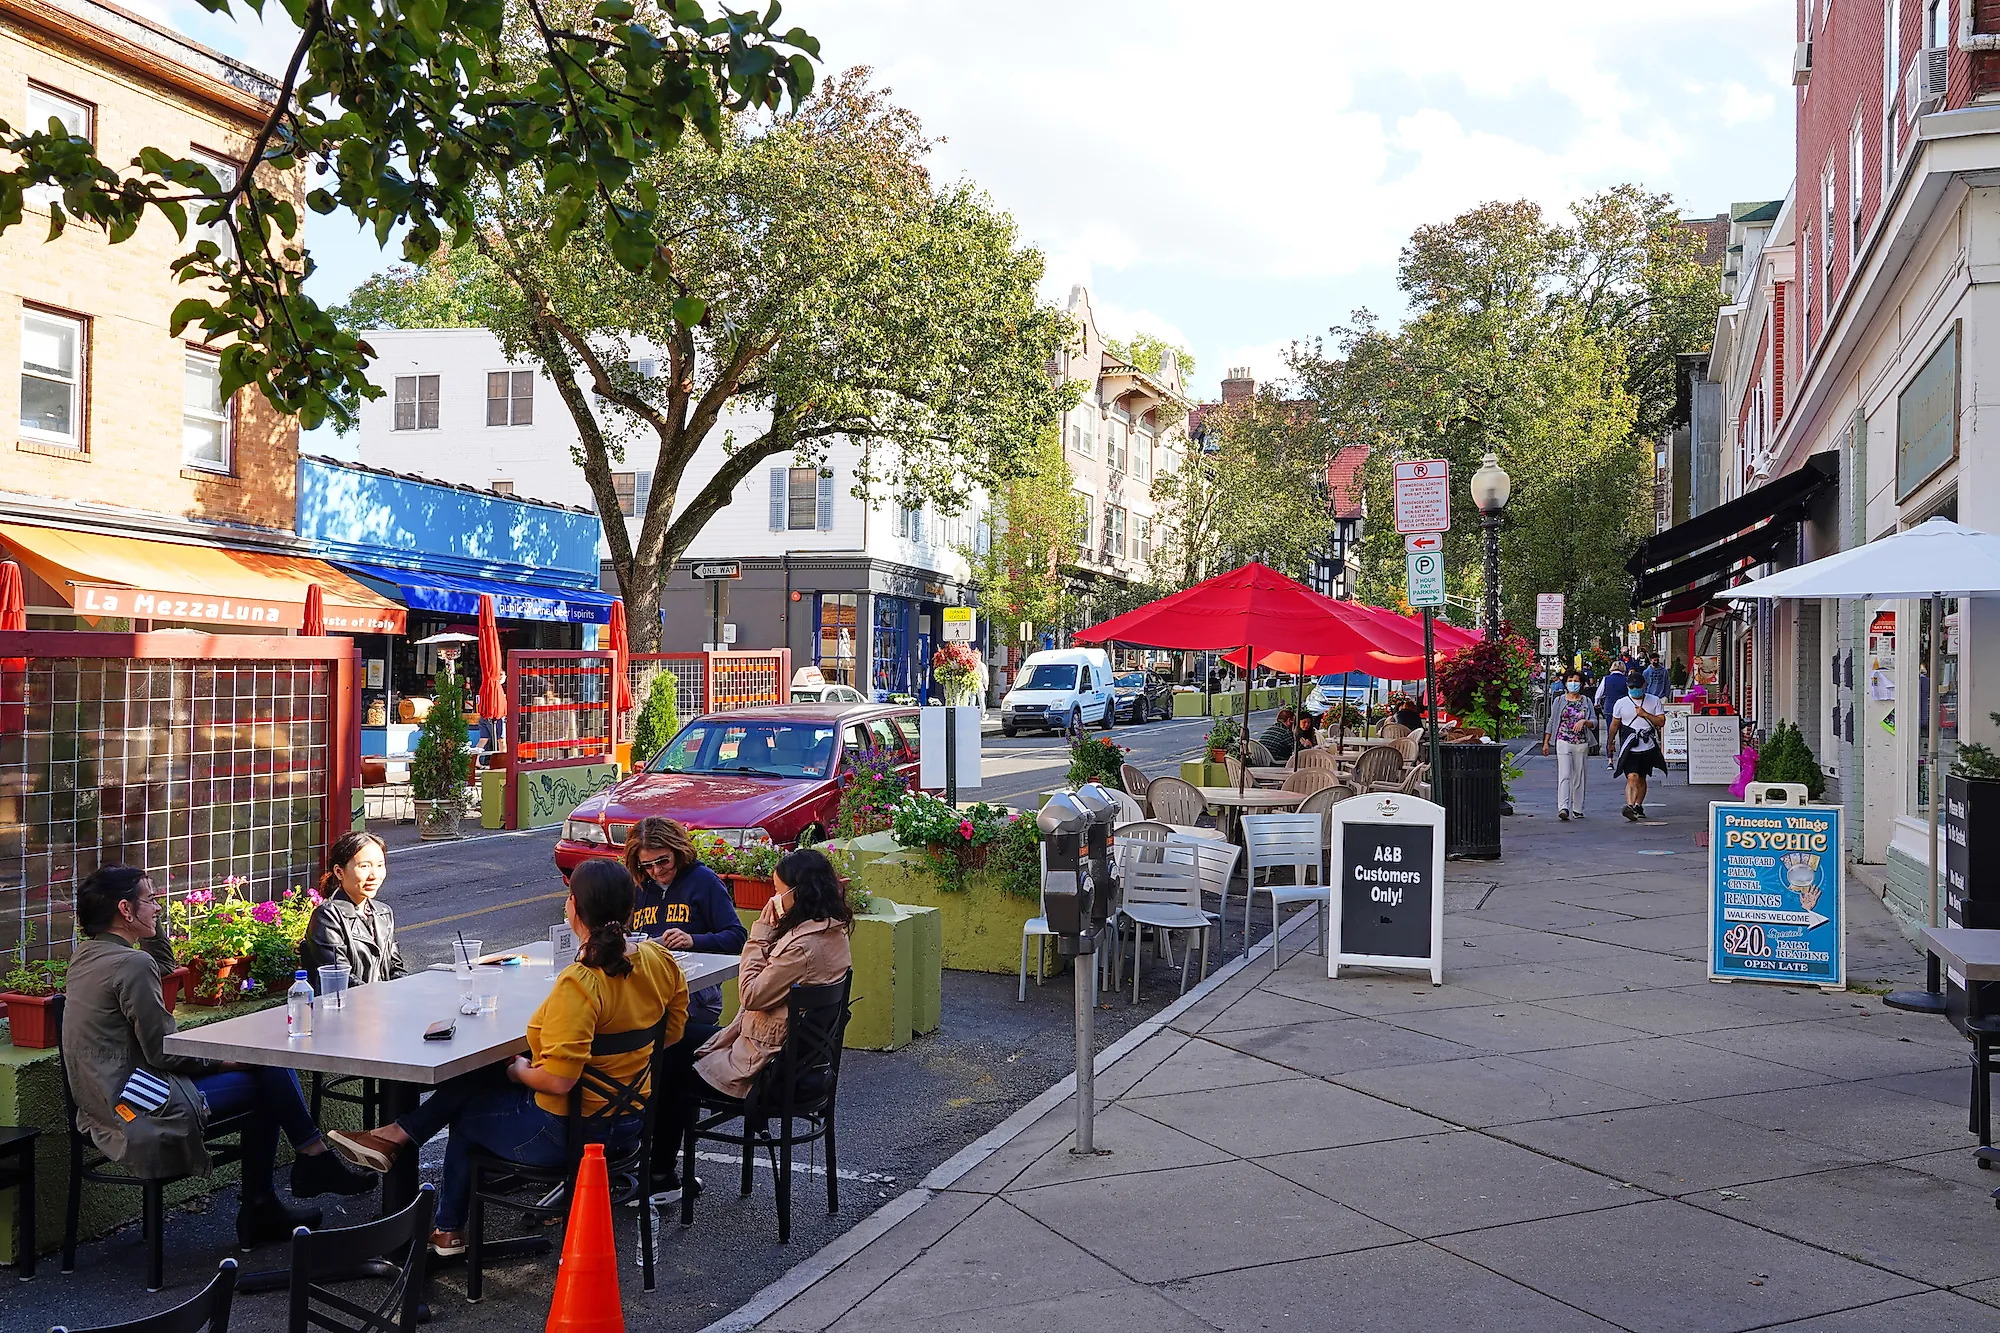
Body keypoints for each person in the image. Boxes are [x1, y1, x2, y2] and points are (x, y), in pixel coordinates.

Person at [329, 860, 688, 1256]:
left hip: (568, 1134)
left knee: (467, 1114)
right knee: (483, 1078)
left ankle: (446, 1228)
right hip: (629, 1125)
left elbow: (559, 1082)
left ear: (573, 907)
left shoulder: (582, 981)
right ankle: (396, 1138)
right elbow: (670, 1034)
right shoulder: (660, 961)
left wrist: (520, 1071)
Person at [63, 866, 374, 1247]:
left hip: (102, 1100)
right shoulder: (130, 964)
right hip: (140, 1106)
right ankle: (295, 1174)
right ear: (125, 910)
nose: (159, 908)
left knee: (267, 1072)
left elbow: (159, 967)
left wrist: (148, 924)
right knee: (268, 1072)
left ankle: (293, 1178)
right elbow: (165, 1052)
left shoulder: (89, 956)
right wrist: (226, 1061)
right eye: (151, 900)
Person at [688, 849, 853, 1102]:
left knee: (669, 1056)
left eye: (778, 891)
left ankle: (660, 1143)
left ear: (798, 893)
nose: (775, 899)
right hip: (802, 1063)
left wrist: (760, 935)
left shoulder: (801, 947)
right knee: (685, 1037)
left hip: (767, 1069)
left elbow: (751, 995)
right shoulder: (833, 931)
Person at [621, 817, 747, 1031]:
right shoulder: (639, 886)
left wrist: (692, 940)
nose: (657, 871)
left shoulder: (704, 881)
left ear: (677, 852)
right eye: (648, 865)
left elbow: (737, 937)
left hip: (695, 993)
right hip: (648, 986)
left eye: (663, 861)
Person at [300, 830, 404, 988]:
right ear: (339, 872)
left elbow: (396, 968)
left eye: (380, 865)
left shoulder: (383, 912)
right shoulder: (327, 916)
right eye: (364, 866)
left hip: (384, 1004)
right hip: (346, 1007)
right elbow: (341, 976)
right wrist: (380, 999)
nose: (374, 875)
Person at [1542, 668, 1598, 821]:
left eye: (1576, 681)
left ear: (1581, 684)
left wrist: (1585, 721)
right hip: (1563, 739)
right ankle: (1563, 807)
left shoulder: (1586, 701)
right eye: (1570, 681)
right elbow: (1552, 721)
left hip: (1581, 742)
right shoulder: (1559, 701)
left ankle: (1578, 808)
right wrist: (1546, 742)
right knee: (1564, 775)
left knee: (1579, 776)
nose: (1573, 684)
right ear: (1565, 683)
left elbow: (1594, 721)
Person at [1609, 677, 1668, 820]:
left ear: (1644, 685)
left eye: (1637, 687)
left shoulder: (1654, 701)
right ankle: (1629, 806)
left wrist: (1645, 714)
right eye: (1631, 687)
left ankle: (1637, 805)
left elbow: (1661, 721)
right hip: (1630, 745)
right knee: (1632, 776)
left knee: (1642, 778)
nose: (1634, 690)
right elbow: (1614, 724)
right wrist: (1610, 742)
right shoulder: (1621, 703)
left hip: (1647, 746)